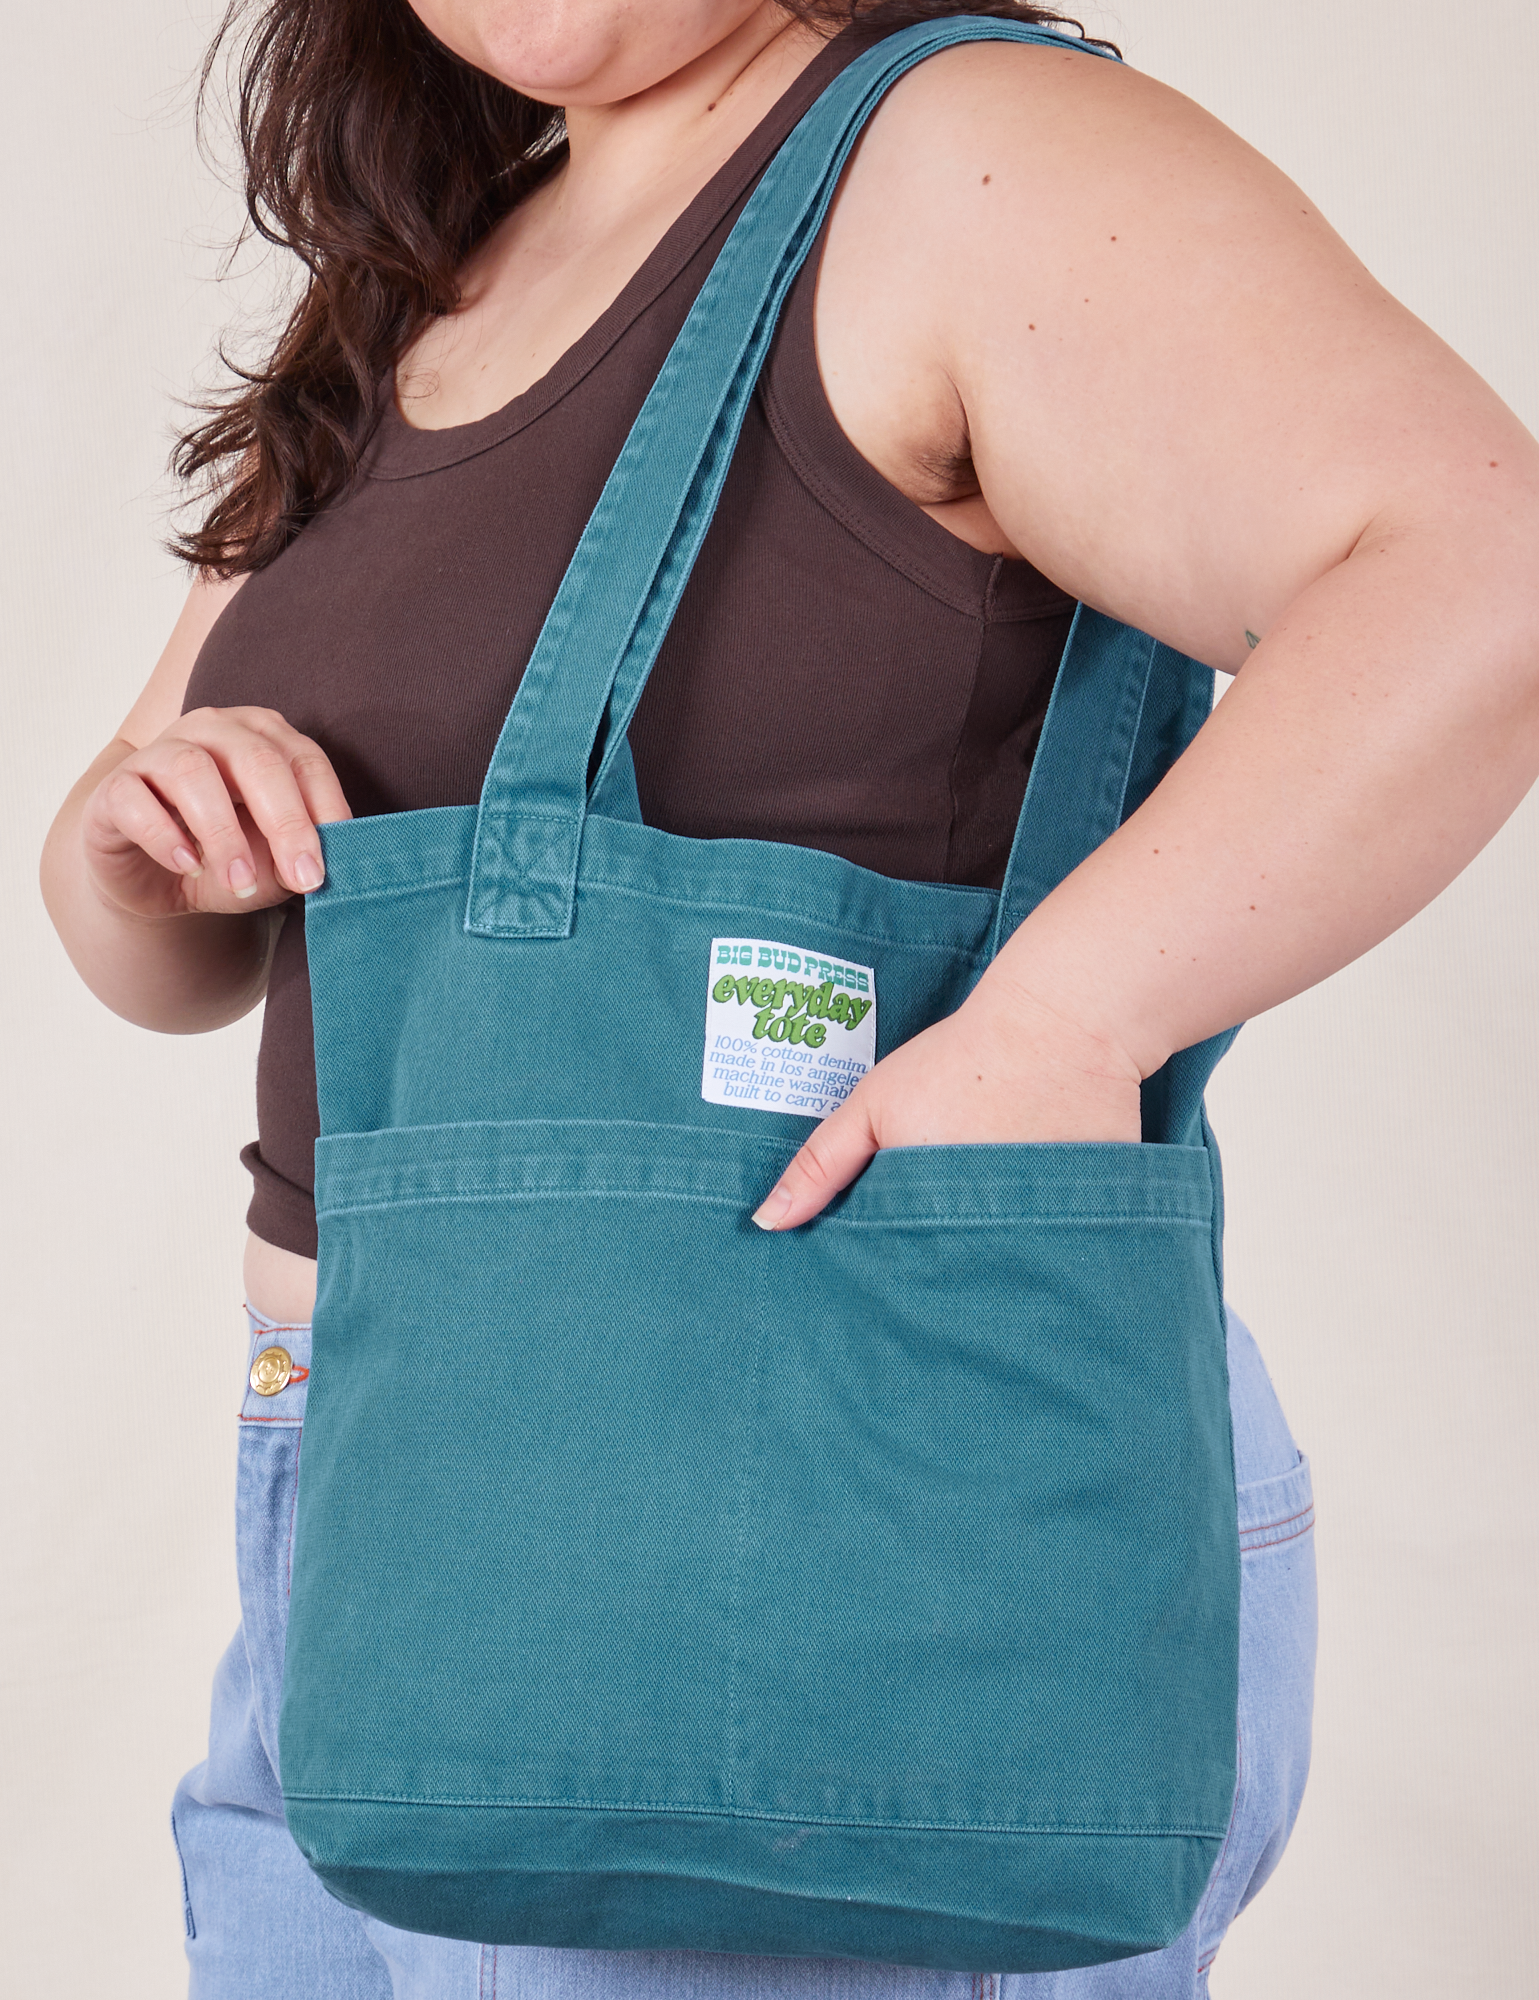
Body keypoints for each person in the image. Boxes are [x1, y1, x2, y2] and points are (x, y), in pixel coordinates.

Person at [39, 0, 1539, 1994]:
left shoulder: (959, 158)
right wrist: (134, 845)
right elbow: (162, 937)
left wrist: (1062, 1020)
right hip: (367, 1511)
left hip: (774, 1510)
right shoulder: (428, 260)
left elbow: (1477, 567)